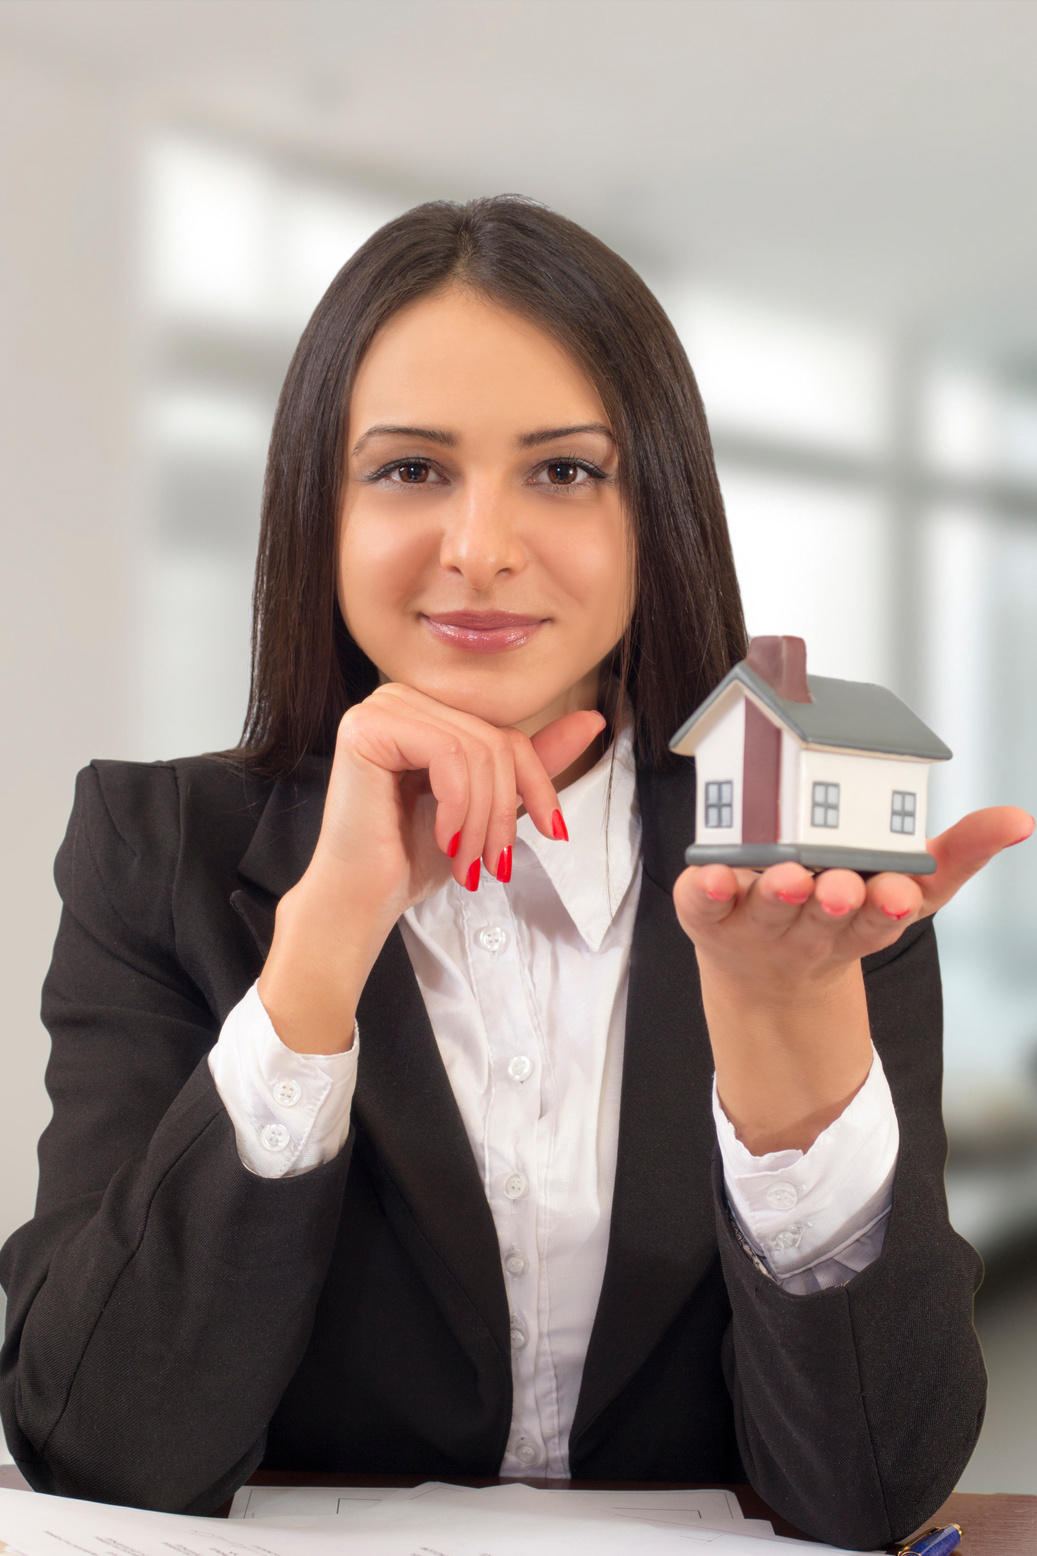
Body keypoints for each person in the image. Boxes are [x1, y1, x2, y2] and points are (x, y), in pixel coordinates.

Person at [0, 197, 1030, 1548]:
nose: (479, 546)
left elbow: (868, 1493)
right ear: (318, 509)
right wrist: (323, 944)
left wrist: (789, 1070)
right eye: (411, 469)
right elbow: (98, 1451)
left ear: (653, 514)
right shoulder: (155, 850)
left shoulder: (799, 880)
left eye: (562, 472)